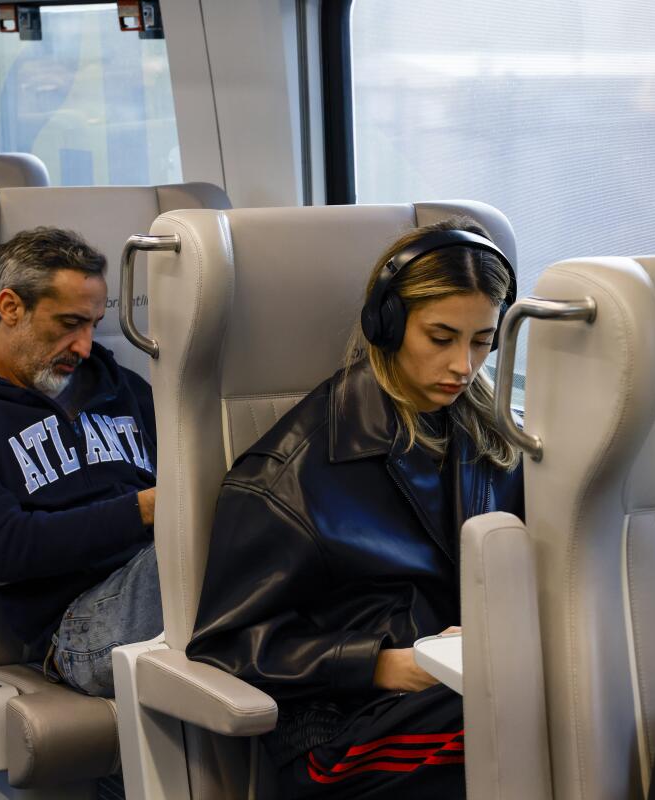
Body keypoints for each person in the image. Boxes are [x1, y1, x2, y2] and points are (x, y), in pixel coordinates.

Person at [186, 218, 524, 798]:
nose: (463, 367)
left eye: (482, 340)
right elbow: (227, 645)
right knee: (516, 720)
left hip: (449, 693)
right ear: (388, 326)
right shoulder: (291, 473)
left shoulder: (494, 443)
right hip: (338, 724)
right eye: (440, 338)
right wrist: (380, 663)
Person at [0, 227, 161, 698]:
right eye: (68, 324)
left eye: (93, 325)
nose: (85, 346)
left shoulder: (121, 387)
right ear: (10, 308)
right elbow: (5, 545)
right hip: (84, 623)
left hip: (162, 572)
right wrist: (143, 509)